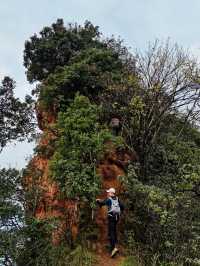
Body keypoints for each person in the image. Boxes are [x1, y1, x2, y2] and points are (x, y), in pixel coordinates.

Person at [96, 187, 124, 257]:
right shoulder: (118, 199)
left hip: (111, 217)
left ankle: (113, 249)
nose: (107, 193)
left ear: (111, 193)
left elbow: (102, 203)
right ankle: (114, 245)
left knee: (111, 233)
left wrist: (97, 201)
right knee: (113, 231)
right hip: (117, 218)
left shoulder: (109, 199)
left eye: (108, 192)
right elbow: (123, 206)